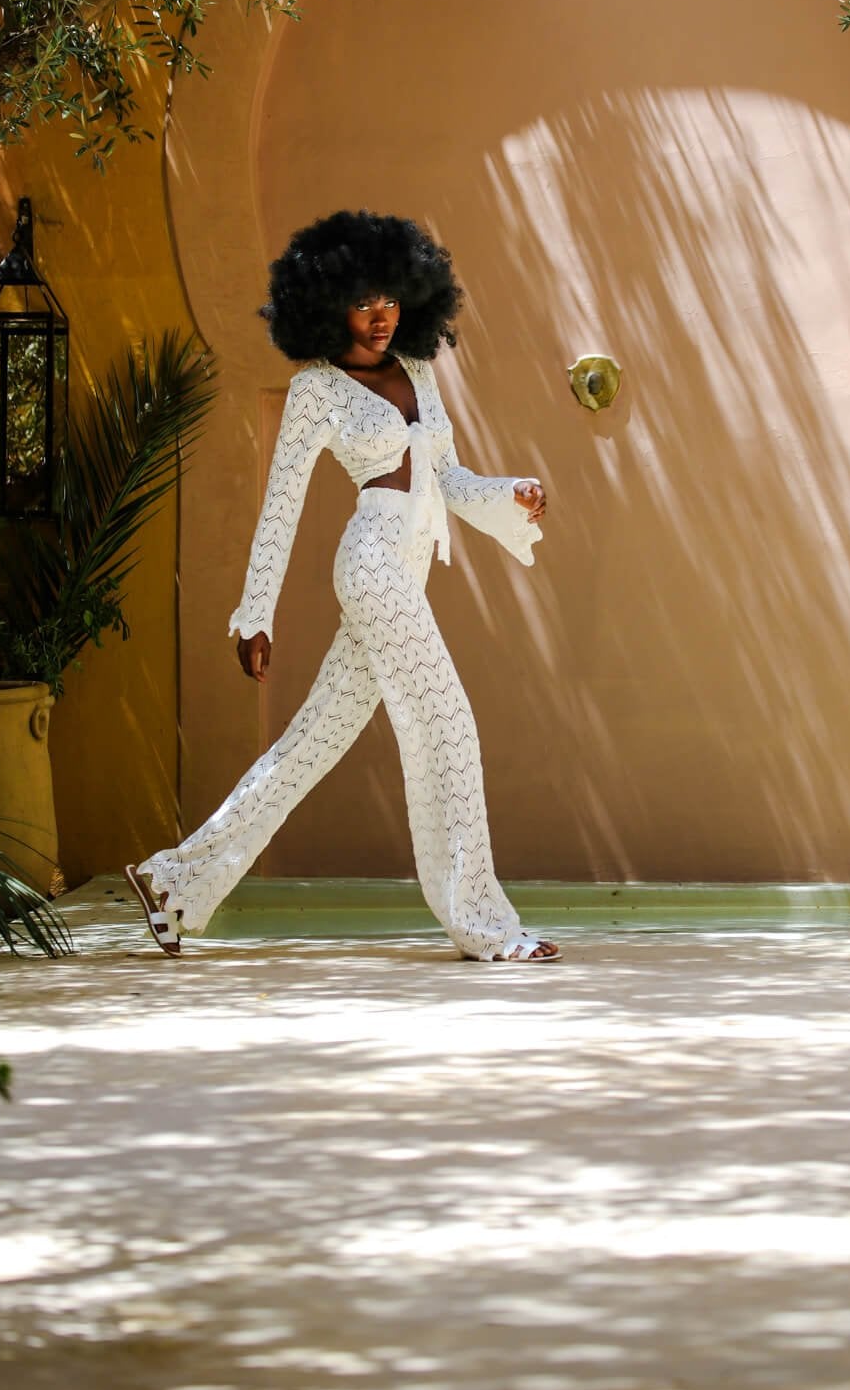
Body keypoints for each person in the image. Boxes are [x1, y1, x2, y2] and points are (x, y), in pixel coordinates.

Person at [125, 210, 560, 963]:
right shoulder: (316, 391)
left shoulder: (419, 372)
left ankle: (173, 881)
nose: (381, 315)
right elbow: (281, 505)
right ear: (328, 306)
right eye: (363, 302)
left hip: (407, 569)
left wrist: (510, 491)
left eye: (390, 297)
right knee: (448, 724)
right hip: (370, 566)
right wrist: (255, 614)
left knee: (309, 747)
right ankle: (487, 927)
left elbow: (448, 479)